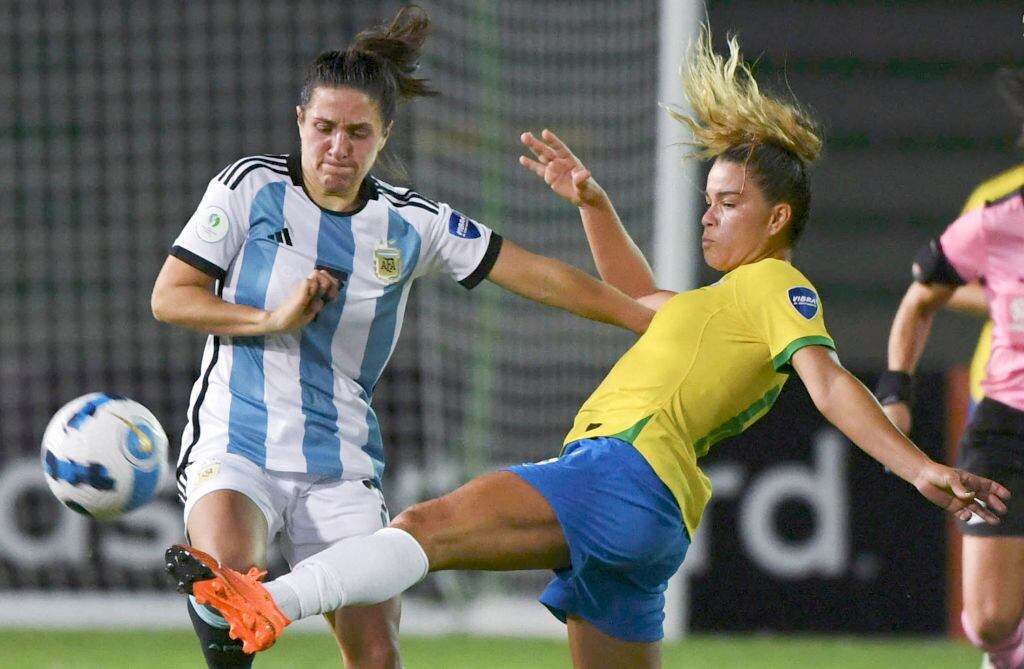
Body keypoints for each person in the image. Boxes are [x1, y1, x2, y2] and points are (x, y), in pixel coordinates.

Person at [163, 29, 1010, 669]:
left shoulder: (777, 290)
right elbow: (637, 301)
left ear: (777, 219)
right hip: (649, 524)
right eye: (706, 200)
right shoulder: (720, 307)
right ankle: (258, 598)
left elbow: (827, 385)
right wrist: (592, 204)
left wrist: (918, 467)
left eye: (725, 201)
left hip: (622, 471)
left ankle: (266, 602)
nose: (707, 215)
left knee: (428, 527)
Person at [150, 6, 653, 669]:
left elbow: (544, 277)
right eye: (324, 128)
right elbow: (170, 297)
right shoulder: (249, 188)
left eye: (358, 133)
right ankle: (221, 618)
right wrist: (271, 320)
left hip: (340, 463)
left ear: (384, 136)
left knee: (378, 657)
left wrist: (643, 318)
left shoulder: (412, 224)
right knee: (226, 585)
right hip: (236, 438)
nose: (338, 147)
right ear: (300, 122)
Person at [876, 67, 1024, 669]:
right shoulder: (998, 218)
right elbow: (923, 295)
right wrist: (896, 389)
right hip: (1008, 425)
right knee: (990, 620)